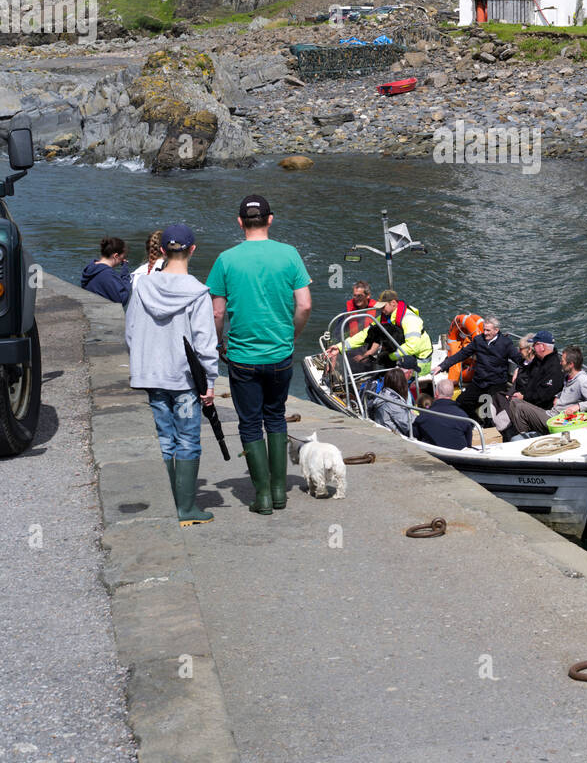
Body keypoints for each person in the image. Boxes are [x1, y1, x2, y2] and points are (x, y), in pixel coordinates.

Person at [207, 195, 312, 516]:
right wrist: (291, 336)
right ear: (270, 219)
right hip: (280, 354)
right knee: (276, 417)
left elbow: (217, 312)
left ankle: (263, 497)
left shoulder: (226, 260)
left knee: (250, 424)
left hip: (242, 356)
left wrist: (218, 343)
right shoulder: (290, 255)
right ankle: (280, 492)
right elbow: (305, 305)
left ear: (240, 222)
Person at [125, 224, 218, 526]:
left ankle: (169, 505)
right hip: (185, 381)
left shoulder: (142, 287)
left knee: (164, 439)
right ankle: (187, 509)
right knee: (188, 439)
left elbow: (130, 333)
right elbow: (205, 344)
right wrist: (210, 382)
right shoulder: (198, 292)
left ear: (162, 251)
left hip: (152, 376)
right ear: (193, 250)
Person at [438, 314, 523, 422]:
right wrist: (442, 366)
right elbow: (462, 354)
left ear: (496, 330)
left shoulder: (505, 343)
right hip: (479, 382)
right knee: (460, 402)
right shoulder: (478, 340)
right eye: (484, 330)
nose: (485, 333)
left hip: (496, 383)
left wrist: (518, 368)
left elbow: (519, 359)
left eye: (488, 330)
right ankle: (477, 422)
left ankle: (490, 427)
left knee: (494, 412)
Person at [331, 288, 432, 375]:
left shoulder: (409, 319)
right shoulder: (385, 318)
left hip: (418, 365)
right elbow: (366, 334)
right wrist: (340, 347)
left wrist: (389, 357)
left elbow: (412, 347)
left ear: (393, 303)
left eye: (383, 307)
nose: (381, 310)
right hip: (401, 360)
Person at [507, 345, 587, 436]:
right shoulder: (567, 376)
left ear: (571, 364)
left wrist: (577, 406)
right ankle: (527, 434)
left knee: (520, 408)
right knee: (515, 402)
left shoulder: (583, 380)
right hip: (552, 413)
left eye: (563, 361)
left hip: (558, 420)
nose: (560, 363)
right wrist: (558, 396)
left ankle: (526, 437)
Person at [498, 330, 563, 440]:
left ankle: (526, 437)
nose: (532, 347)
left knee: (517, 404)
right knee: (501, 397)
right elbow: (528, 373)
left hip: (545, 410)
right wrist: (518, 369)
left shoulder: (554, 368)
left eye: (535, 344)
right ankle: (521, 433)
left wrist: (524, 397)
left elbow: (544, 395)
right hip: (531, 401)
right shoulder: (539, 361)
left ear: (542, 347)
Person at [414, 377, 475, 451]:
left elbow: (414, 437)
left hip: (434, 456)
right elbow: (468, 444)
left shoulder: (423, 416)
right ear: (452, 394)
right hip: (458, 458)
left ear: (436, 394)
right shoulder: (463, 416)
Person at [81, 237, 132, 306]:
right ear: (116, 256)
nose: (123, 259)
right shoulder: (107, 275)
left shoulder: (90, 268)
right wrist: (125, 273)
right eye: (124, 256)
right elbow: (122, 300)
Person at [368, 366, 415, 436]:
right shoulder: (394, 403)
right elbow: (410, 426)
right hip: (397, 438)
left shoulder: (382, 395)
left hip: (385, 432)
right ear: (402, 384)